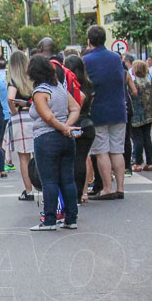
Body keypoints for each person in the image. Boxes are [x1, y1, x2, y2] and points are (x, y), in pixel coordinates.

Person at [28, 55, 81, 230]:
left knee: (49, 181)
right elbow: (75, 107)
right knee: (67, 179)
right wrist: (67, 126)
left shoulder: (40, 92)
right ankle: (71, 218)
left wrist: (60, 127)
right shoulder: (60, 88)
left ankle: (49, 220)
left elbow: (47, 116)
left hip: (46, 138)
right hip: (66, 139)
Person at [83, 26, 128, 200]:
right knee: (117, 150)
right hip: (118, 107)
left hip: (99, 109)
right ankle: (121, 187)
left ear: (89, 40)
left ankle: (108, 188)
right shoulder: (116, 58)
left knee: (101, 150)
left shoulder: (87, 60)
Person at [63, 55, 95, 204]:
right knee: (82, 159)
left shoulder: (69, 85)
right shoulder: (89, 84)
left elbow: (78, 102)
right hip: (88, 124)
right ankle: (83, 192)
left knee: (74, 161)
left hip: (75, 124)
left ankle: (75, 195)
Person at [6, 51, 35, 200]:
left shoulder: (13, 81)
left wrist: (13, 111)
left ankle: (28, 190)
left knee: (24, 157)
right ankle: (41, 186)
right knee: (37, 154)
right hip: (34, 116)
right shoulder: (32, 80)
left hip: (20, 119)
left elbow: (10, 98)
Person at [130, 60, 152, 171]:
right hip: (148, 113)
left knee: (137, 139)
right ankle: (149, 162)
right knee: (147, 138)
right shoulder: (148, 82)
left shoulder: (134, 84)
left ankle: (138, 162)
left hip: (136, 115)